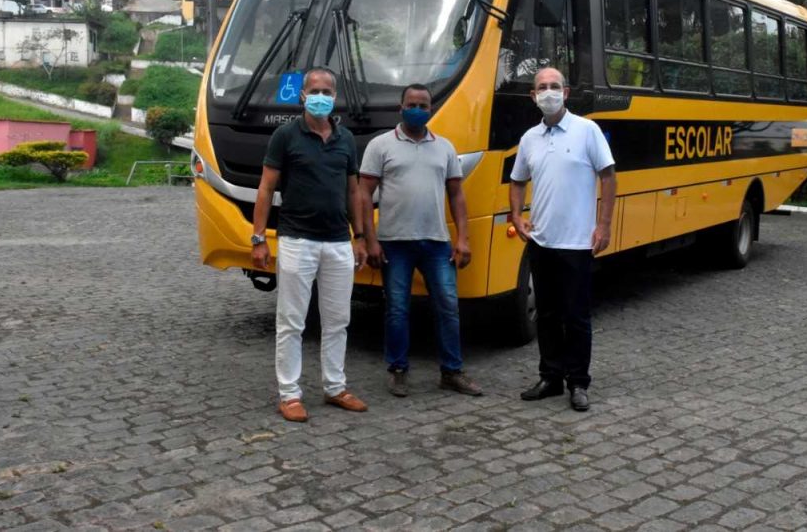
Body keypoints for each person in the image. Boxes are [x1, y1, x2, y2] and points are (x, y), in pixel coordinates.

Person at [251, 66, 369, 423]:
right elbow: (266, 188)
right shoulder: (286, 136)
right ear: (302, 96)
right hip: (296, 240)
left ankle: (335, 387)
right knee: (292, 321)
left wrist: (359, 236)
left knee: (337, 320)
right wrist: (258, 238)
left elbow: (353, 191)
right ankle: (289, 394)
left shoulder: (346, 139)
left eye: (327, 91)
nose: (321, 96)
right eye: (314, 90)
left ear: (335, 97)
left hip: (337, 243)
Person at [359, 83, 483, 398]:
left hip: (436, 243)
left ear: (430, 110)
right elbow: (363, 194)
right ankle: (398, 370)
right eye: (412, 104)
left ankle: (451, 372)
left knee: (448, 307)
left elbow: (457, 195)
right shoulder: (380, 145)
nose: (418, 109)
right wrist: (369, 240)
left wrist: (463, 239)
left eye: (423, 105)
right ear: (401, 108)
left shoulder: (444, 147)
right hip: (394, 243)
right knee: (397, 309)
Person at [508, 67, 616, 412]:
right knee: (549, 315)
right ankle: (550, 377)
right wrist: (515, 215)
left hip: (577, 244)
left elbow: (609, 177)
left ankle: (578, 382)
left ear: (566, 93)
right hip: (541, 243)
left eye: (555, 86)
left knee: (577, 316)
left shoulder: (587, 131)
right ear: (533, 96)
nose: (549, 92)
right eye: (542, 87)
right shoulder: (529, 138)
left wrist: (604, 225)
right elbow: (517, 181)